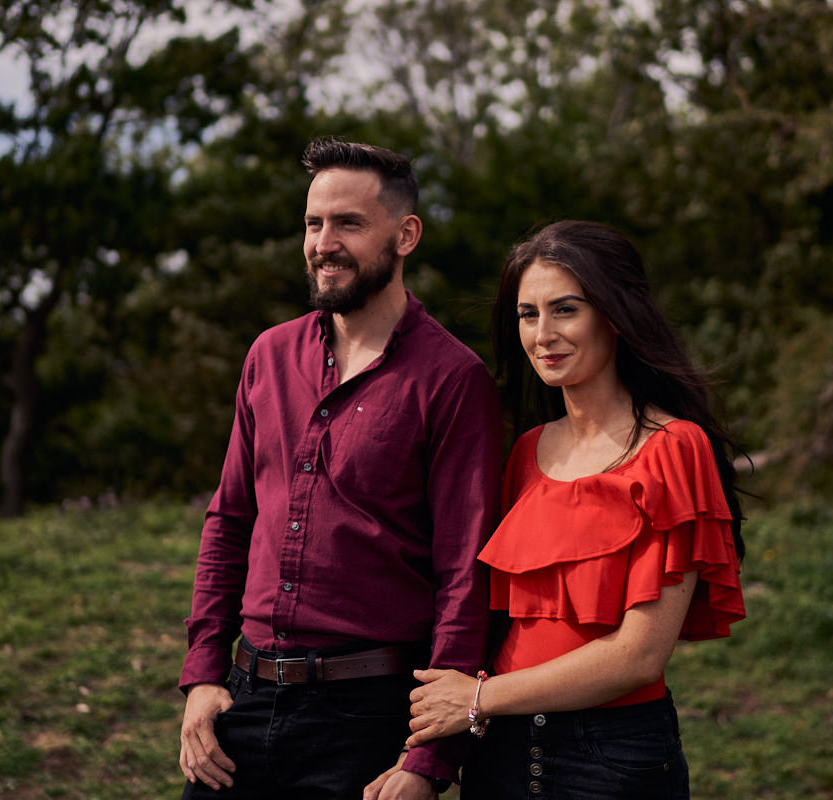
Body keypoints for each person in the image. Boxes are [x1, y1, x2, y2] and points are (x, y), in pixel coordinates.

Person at [177, 137, 502, 799]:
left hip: (368, 718)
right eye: (313, 223)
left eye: (349, 223)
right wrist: (204, 675)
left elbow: (466, 576)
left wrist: (429, 761)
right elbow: (230, 522)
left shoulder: (453, 380)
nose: (324, 242)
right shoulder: (268, 357)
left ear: (405, 234)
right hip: (243, 702)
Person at [393, 220, 747, 799]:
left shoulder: (673, 448)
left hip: (608, 754)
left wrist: (478, 698)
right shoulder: (527, 451)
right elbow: (495, 621)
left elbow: (639, 655)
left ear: (612, 315)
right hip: (500, 748)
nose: (543, 335)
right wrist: (426, 756)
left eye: (565, 310)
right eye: (528, 315)